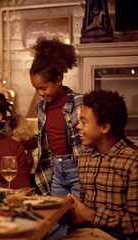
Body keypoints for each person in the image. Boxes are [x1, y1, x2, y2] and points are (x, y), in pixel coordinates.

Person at [64, 90, 138, 239]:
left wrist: (91, 216)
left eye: (83, 122)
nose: (78, 126)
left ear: (104, 127)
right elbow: (84, 211)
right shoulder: (85, 158)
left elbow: (135, 224)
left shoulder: (132, 163)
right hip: (83, 233)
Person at [29, 37, 85, 197]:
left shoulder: (80, 102)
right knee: (57, 214)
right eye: (36, 89)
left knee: (77, 213)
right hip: (55, 169)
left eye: (43, 88)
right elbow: (43, 137)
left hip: (78, 167)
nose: (40, 93)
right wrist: (24, 144)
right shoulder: (41, 106)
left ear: (59, 80)